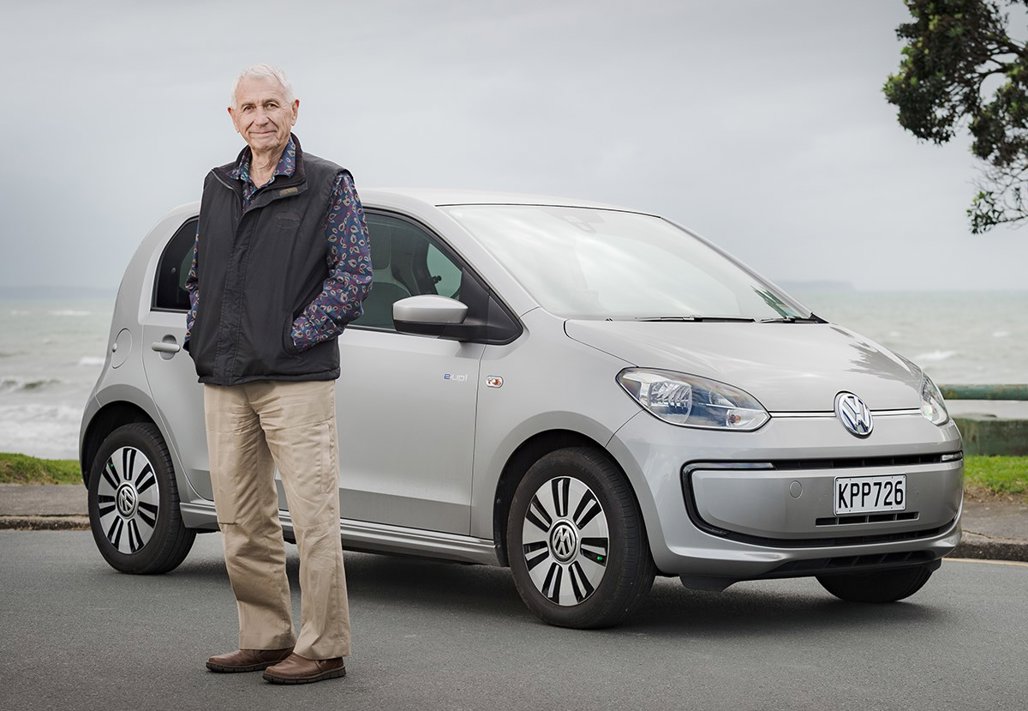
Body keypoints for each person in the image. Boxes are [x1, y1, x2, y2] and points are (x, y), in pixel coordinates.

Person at [184, 64, 372, 685]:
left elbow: (353, 278)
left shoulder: (328, 184)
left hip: (296, 379)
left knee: (314, 518)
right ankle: (265, 638)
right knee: (240, 517)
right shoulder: (217, 185)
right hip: (226, 375)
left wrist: (289, 337)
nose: (260, 117)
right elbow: (201, 275)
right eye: (249, 107)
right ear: (232, 117)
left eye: (272, 105)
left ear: (294, 109)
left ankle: (323, 648)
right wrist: (202, 330)